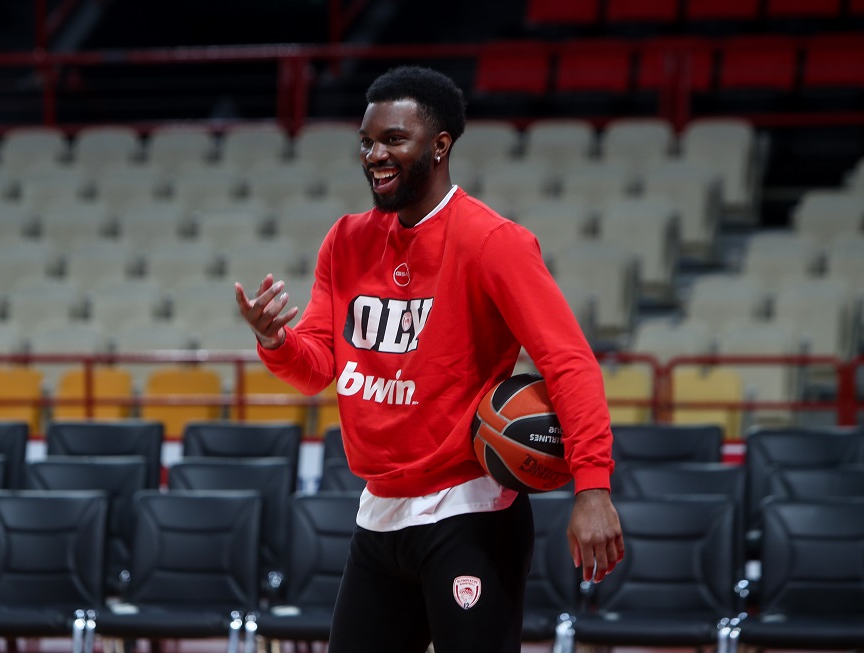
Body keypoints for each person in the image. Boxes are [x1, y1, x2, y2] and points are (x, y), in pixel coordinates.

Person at [235, 65, 623, 653]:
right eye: (367, 141)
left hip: (469, 510)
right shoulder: (346, 240)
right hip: (380, 511)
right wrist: (276, 342)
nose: (375, 155)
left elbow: (569, 362)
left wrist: (592, 488)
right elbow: (318, 368)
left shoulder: (493, 243)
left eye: (394, 139)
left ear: (440, 146)